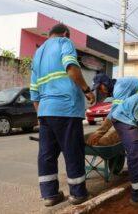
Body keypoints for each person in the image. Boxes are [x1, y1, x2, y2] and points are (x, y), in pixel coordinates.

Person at [30, 24, 95, 206]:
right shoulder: (64, 42)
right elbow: (71, 67)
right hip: (66, 108)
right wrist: (86, 90)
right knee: (73, 151)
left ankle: (50, 195)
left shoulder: (38, 53)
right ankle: (78, 194)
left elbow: (34, 91)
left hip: (45, 111)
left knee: (47, 154)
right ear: (65, 33)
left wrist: (41, 114)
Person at [86, 74, 138, 146]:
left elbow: (115, 112)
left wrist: (99, 132)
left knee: (124, 125)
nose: (100, 91)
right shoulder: (117, 87)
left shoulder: (120, 87)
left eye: (99, 88)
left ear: (105, 83)